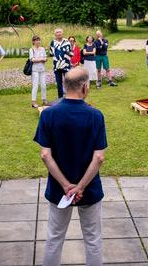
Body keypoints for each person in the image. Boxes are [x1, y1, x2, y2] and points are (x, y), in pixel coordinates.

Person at [34, 68, 107, 266]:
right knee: (93, 240)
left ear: (64, 86)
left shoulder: (48, 115)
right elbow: (99, 157)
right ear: (85, 87)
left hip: (59, 189)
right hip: (89, 188)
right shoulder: (95, 116)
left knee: (54, 238)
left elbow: (45, 155)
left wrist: (66, 186)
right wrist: (80, 187)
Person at [49, 28, 73, 99]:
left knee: (68, 82)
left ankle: (70, 97)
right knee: (59, 83)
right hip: (57, 66)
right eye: (57, 32)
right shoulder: (53, 42)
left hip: (66, 65)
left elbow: (71, 53)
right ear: (55, 34)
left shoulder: (67, 42)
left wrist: (65, 56)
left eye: (60, 32)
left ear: (62, 33)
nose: (59, 33)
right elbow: (51, 53)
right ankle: (60, 98)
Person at [29, 35, 48, 108]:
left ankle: (44, 100)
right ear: (33, 42)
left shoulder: (42, 49)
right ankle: (33, 102)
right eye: (36, 40)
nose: (38, 42)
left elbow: (45, 58)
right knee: (35, 86)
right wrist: (41, 59)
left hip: (42, 69)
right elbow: (32, 60)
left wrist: (43, 59)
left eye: (38, 40)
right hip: (35, 70)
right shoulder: (31, 49)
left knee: (43, 85)